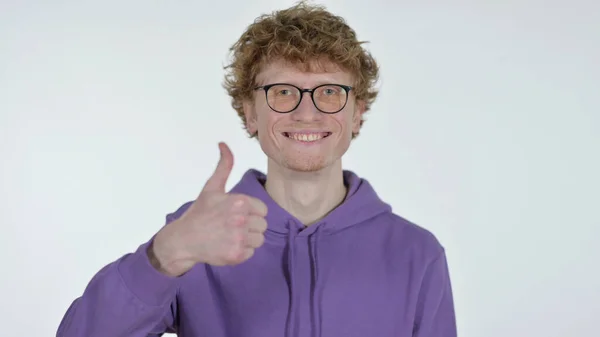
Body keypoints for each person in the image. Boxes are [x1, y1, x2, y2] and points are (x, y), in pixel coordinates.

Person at [57, 2, 457, 336]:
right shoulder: (198, 234)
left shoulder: (417, 254)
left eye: (330, 92)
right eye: (283, 92)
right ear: (250, 114)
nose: (307, 112)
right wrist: (167, 255)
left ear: (357, 114)